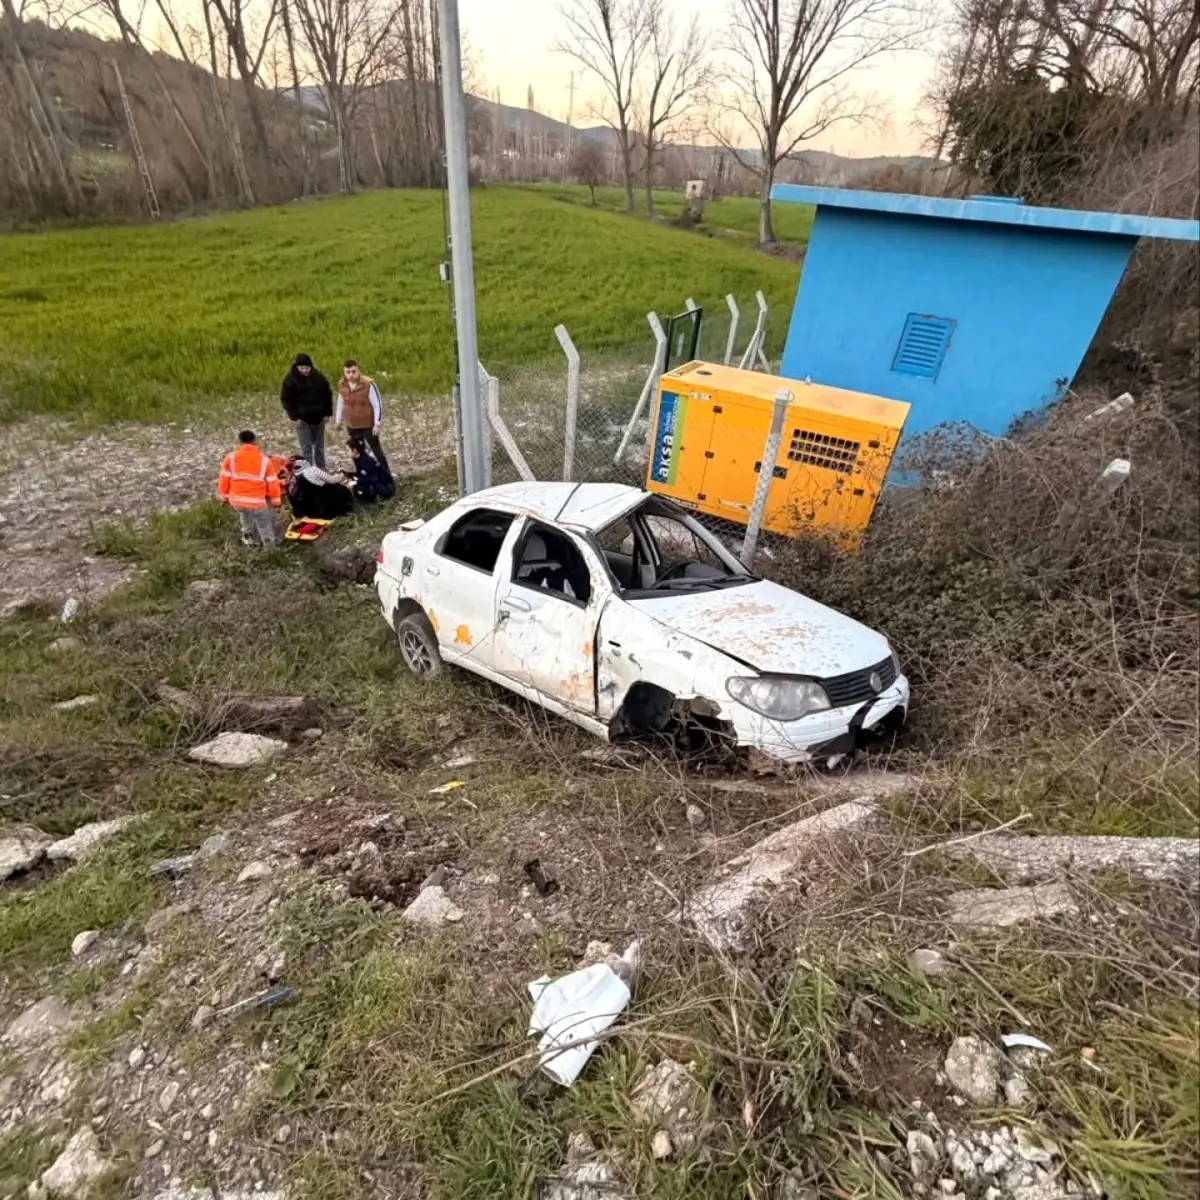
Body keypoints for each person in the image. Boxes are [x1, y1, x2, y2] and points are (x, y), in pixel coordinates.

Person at [217, 430, 281, 547]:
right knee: (264, 525)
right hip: (257, 502)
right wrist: (276, 502)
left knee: (245, 514)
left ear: (239, 442)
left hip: (237, 501)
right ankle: (270, 550)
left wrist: (224, 498)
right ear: (255, 442)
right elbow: (273, 482)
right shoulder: (265, 460)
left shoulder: (230, 458)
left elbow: (223, 480)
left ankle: (249, 539)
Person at [280, 353, 333, 469]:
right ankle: (308, 474)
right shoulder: (290, 380)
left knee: (320, 448)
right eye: (302, 368)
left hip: (319, 417)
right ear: (297, 367)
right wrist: (294, 417)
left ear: (311, 367)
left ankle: (322, 471)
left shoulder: (319, 377)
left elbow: (327, 394)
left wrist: (328, 413)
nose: (304, 370)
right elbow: (286, 400)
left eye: (307, 368)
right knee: (306, 449)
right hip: (302, 420)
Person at [335, 360, 389, 468]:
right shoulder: (342, 384)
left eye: (353, 372)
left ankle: (385, 473)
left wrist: (377, 423)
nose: (351, 375)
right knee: (356, 450)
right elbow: (340, 402)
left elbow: (377, 403)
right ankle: (363, 473)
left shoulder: (368, 384)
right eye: (348, 372)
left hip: (368, 424)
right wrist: (338, 420)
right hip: (352, 425)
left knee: (376, 449)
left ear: (359, 370)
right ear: (344, 372)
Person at [286, 456, 355, 521]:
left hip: (308, 511)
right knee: (339, 488)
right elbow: (332, 480)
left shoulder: (290, 478)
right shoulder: (312, 470)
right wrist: (342, 474)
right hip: (324, 505)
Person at [348, 439, 395, 503]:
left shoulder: (365, 461)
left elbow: (371, 479)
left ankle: (376, 498)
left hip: (385, 489)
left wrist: (355, 483)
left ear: (355, 450)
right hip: (380, 484)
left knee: (356, 490)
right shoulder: (360, 458)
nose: (348, 452)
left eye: (349, 450)